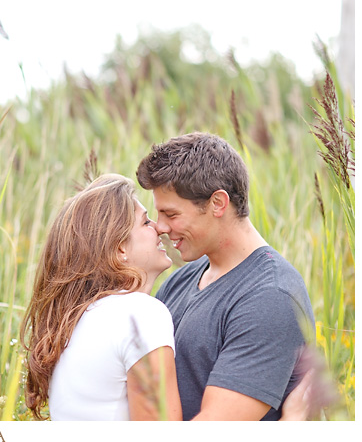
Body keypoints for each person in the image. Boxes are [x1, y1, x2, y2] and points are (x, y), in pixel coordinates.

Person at [20, 173, 311, 421]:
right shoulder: (140, 314)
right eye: (147, 222)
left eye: (169, 215)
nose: (160, 227)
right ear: (120, 249)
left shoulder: (81, 318)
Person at [136, 132, 315, 421]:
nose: (161, 227)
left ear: (218, 203)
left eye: (171, 214)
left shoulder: (270, 297)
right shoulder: (180, 280)